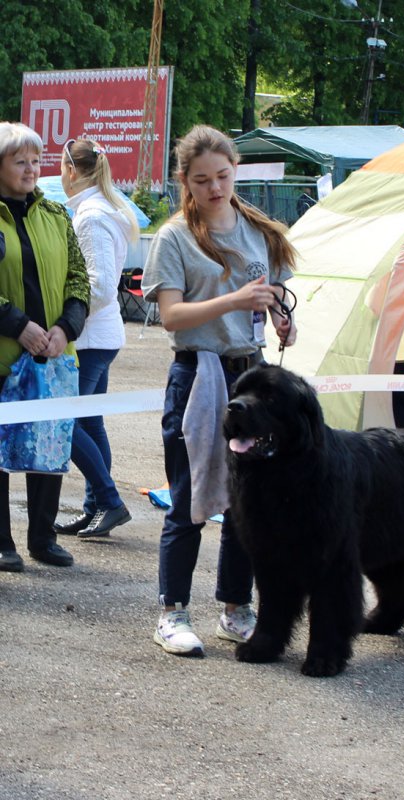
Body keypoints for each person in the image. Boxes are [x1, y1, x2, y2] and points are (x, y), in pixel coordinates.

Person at [141, 125, 297, 656]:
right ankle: (172, 611)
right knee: (188, 498)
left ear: (235, 172)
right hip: (197, 376)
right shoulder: (174, 236)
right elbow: (171, 316)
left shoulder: (258, 230)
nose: (214, 188)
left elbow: (274, 292)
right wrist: (234, 301)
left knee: (248, 501)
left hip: (251, 375)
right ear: (184, 180)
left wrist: (281, 319)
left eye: (223, 177)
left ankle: (236, 606)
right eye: (202, 180)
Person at [0, 122, 90, 572]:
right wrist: (18, 326)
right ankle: (2, 543)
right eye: (20, 161)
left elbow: (79, 279)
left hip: (53, 356)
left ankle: (43, 538)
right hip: (4, 355)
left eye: (36, 160)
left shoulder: (57, 215)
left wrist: (64, 328)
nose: (31, 169)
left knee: (49, 447)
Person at [53, 138, 139, 539]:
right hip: (100, 336)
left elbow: (101, 286)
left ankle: (108, 501)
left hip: (89, 338)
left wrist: (65, 321)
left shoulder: (90, 215)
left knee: (63, 420)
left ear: (71, 170)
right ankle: (96, 509)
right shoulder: (104, 208)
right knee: (89, 421)